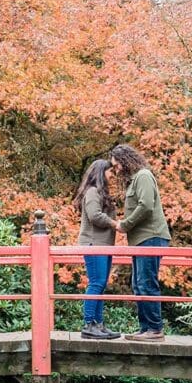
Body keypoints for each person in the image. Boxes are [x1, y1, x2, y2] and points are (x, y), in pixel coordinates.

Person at [110, 145, 170, 341]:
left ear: (125, 161)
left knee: (146, 283)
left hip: (150, 237)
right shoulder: (135, 180)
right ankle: (146, 328)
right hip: (140, 240)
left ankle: (155, 329)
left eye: (117, 165)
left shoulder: (143, 176)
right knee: (138, 284)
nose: (117, 170)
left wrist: (125, 225)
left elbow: (146, 205)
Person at [73, 159, 121, 340]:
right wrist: (115, 224)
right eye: (110, 172)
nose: (112, 176)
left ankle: (98, 324)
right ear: (101, 173)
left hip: (103, 244)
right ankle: (89, 324)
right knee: (96, 283)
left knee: (101, 284)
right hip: (93, 244)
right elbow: (94, 216)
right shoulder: (92, 192)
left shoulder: (101, 193)